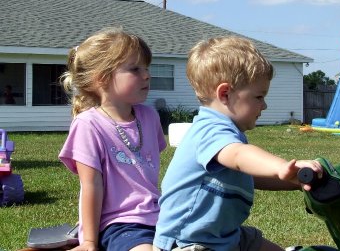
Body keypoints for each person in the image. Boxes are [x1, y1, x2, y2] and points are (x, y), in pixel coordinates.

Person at [153, 36, 323, 251]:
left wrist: (295, 181)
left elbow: (250, 176)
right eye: (259, 97)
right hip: (189, 243)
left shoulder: (229, 132)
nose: (265, 105)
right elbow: (239, 156)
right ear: (225, 93)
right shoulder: (209, 129)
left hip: (224, 235)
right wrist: (281, 166)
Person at [59, 27, 166, 251]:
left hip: (161, 216)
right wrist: (88, 240)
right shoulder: (89, 125)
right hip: (120, 224)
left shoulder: (149, 116)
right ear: (103, 79)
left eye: (147, 68)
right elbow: (90, 185)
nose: (147, 75)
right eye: (135, 69)